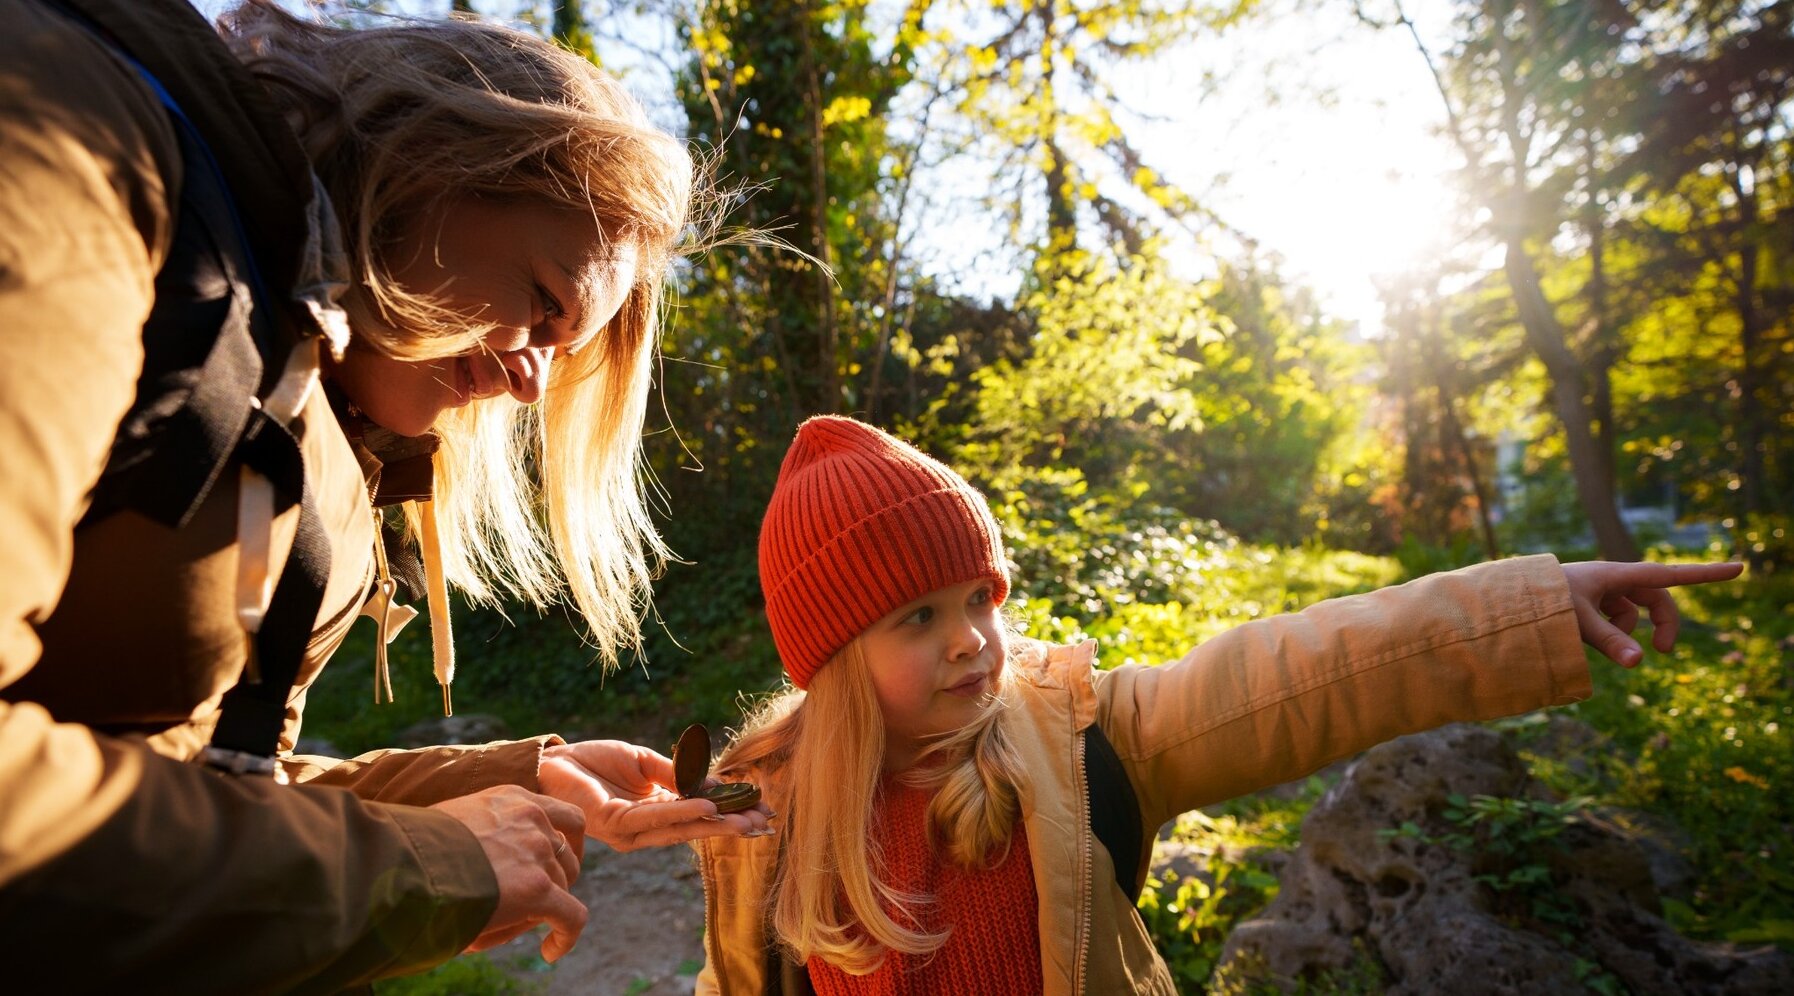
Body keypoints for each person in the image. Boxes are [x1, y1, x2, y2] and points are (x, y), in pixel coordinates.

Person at [0, 0, 767, 988]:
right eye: (544, 304)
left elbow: (205, 777)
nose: (530, 385)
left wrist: (513, 782)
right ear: (436, 162)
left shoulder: (309, 382)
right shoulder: (76, 151)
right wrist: (426, 867)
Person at [690, 415, 1743, 995]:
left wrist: (1531, 605)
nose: (971, 637)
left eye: (979, 598)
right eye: (917, 617)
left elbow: (1304, 674)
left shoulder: (1079, 737)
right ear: (834, 661)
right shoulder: (766, 819)